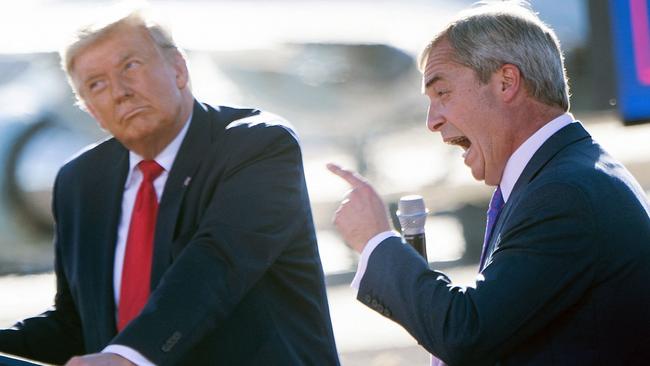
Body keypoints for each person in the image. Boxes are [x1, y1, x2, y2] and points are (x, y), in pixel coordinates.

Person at [0, 7, 340, 366]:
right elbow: (76, 324)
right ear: (91, 111)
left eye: (130, 66)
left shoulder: (258, 146)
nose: (119, 92)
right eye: (96, 84)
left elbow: (215, 268)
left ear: (179, 69)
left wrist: (125, 357)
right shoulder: (80, 180)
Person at [328, 1, 650, 365]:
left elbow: (467, 331)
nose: (432, 121)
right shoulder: (564, 174)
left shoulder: (564, 193)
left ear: (506, 82)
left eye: (442, 93)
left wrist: (377, 242)